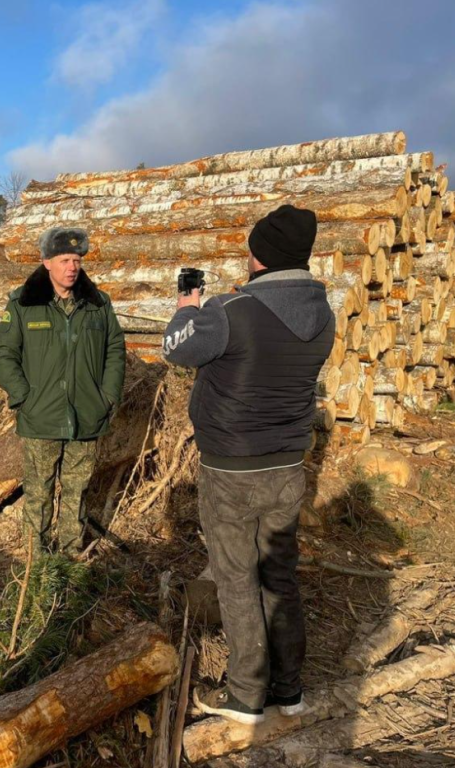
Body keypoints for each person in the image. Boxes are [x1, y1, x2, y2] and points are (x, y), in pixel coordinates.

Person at [162, 204, 335, 724]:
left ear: (260, 254)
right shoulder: (321, 317)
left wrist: (187, 307)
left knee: (237, 580)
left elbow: (177, 349)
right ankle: (289, 690)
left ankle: (245, 696)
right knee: (279, 577)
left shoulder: (231, 312)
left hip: (231, 468)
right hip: (287, 467)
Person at [0, 226, 126, 555]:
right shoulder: (24, 303)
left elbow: (114, 350)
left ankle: (68, 557)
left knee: (77, 492)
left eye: (77, 260)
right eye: (64, 259)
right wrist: (24, 397)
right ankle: (35, 568)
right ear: (46, 262)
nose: (72, 267)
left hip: (87, 416)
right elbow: (4, 353)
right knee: (38, 494)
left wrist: (106, 396)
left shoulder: (97, 305)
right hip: (41, 417)